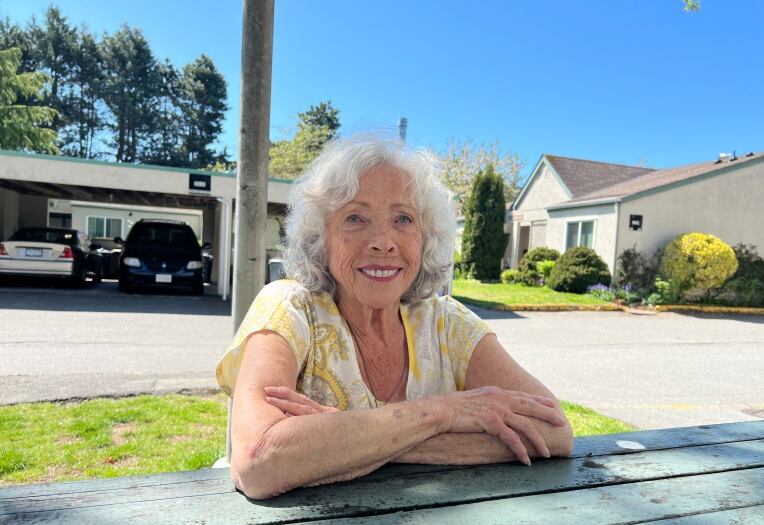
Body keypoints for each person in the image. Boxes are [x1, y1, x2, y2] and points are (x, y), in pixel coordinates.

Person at [216, 135, 573, 500]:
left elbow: (555, 431)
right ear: (320, 238)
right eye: (355, 217)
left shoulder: (448, 324)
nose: (383, 241)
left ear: (425, 236)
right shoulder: (289, 308)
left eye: (403, 219)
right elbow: (258, 461)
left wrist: (343, 440)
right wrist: (443, 412)